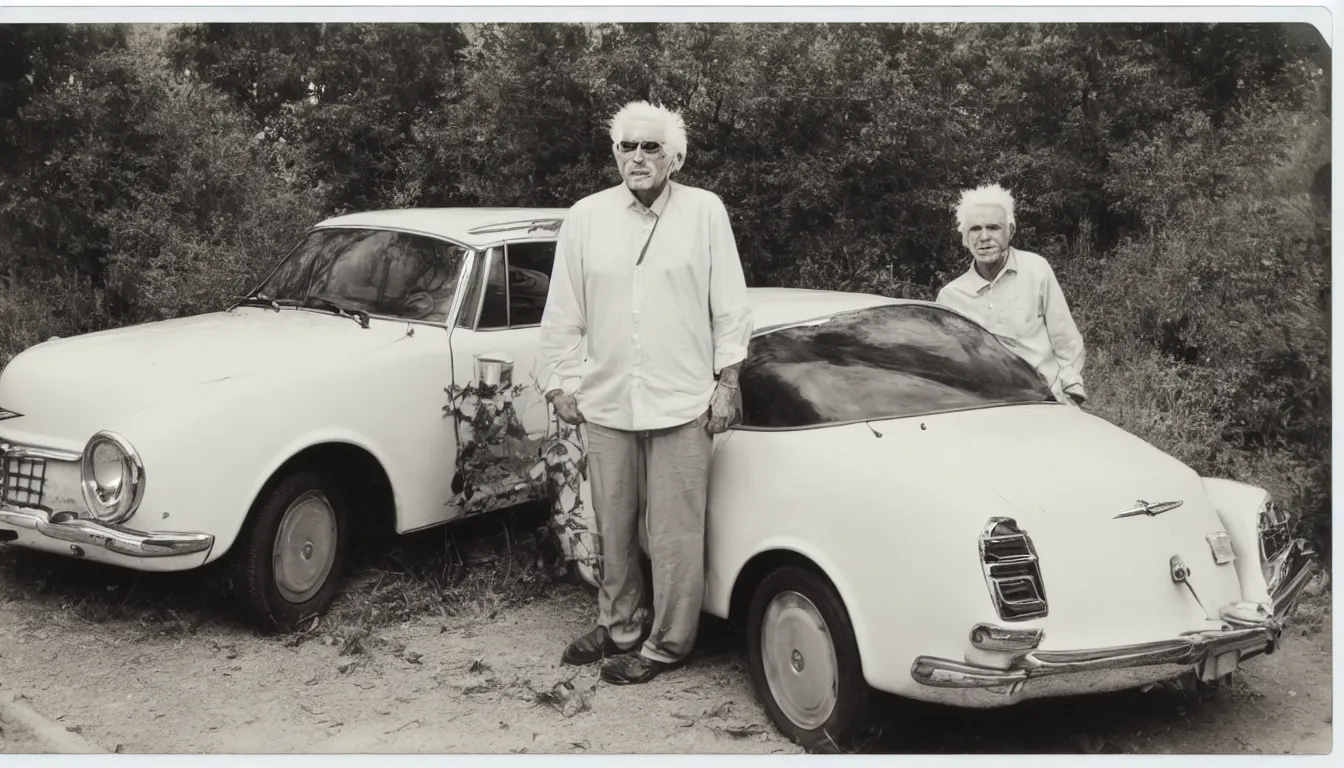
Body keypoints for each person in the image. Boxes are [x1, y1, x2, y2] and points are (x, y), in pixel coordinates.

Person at [537, 100, 753, 685]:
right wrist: (559, 379)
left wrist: (727, 382)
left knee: (676, 531)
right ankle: (620, 624)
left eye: (651, 146)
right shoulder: (585, 216)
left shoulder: (704, 212)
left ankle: (669, 643)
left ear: (674, 157)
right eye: (627, 146)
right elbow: (562, 312)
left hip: (683, 401)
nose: (637, 156)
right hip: (608, 400)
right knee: (614, 522)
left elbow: (730, 306)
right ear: (614, 153)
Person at [935, 183, 1088, 406]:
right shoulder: (950, 297)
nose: (984, 237)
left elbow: (1066, 339)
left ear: (1010, 232)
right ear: (964, 239)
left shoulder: (1036, 270)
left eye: (993, 227)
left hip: (1045, 400)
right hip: (984, 407)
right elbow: (948, 364)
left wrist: (1070, 390)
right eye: (975, 229)